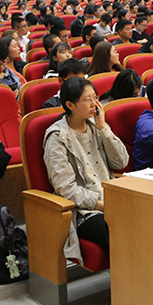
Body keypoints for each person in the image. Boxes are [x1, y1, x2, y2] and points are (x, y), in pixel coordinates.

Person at [43, 77, 128, 261]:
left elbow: (121, 162)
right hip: (84, 212)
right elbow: (66, 189)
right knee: (122, 231)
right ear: (70, 105)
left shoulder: (96, 126)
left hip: (112, 199)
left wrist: (104, 128)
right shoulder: (57, 137)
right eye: (87, 99)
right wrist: (104, 206)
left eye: (95, 97)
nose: (94, 104)